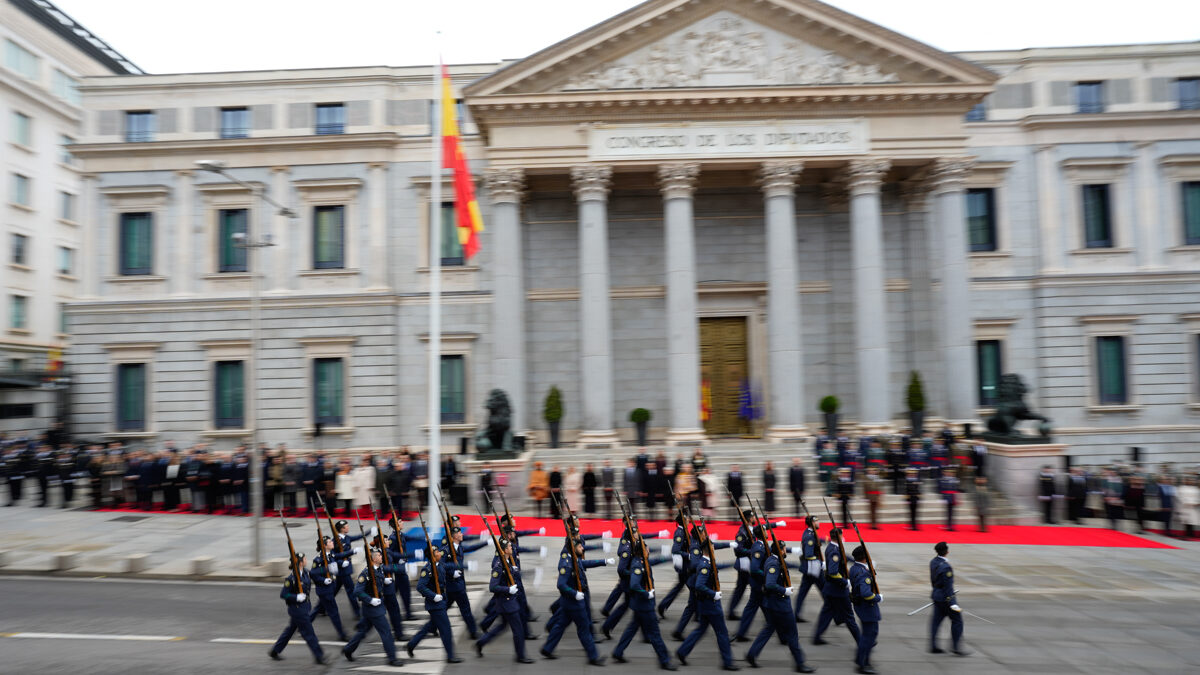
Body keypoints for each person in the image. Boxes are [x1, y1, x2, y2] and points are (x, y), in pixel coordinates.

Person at [675, 527, 739, 672]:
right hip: (711, 604)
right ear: (707, 548)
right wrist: (713, 594)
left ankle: (682, 651)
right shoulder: (704, 564)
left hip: (705, 604)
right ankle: (728, 662)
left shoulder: (708, 562)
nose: (713, 547)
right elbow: (699, 585)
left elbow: (715, 568)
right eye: (711, 545)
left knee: (700, 629)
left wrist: (729, 564)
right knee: (722, 632)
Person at [745, 541, 816, 673]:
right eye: (784, 549)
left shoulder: (772, 559)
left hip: (772, 604)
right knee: (792, 634)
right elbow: (770, 584)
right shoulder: (773, 563)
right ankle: (800, 663)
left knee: (768, 629)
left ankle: (752, 654)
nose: (785, 551)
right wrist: (784, 591)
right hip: (780, 605)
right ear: (780, 550)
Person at [611, 535, 678, 670]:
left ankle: (618, 652)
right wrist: (646, 593)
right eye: (647, 549)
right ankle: (664, 660)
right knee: (655, 634)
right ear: (642, 551)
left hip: (640, 606)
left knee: (631, 629)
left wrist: (670, 558)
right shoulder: (638, 565)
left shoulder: (642, 561)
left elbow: (655, 561)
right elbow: (634, 584)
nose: (648, 551)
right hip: (644, 606)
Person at [540, 537, 611, 665]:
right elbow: (561, 584)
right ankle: (593, 657)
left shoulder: (573, 558)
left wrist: (604, 561)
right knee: (584, 629)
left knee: (560, 626)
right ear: (573, 548)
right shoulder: (566, 563)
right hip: (574, 603)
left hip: (568, 603)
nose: (582, 548)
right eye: (579, 547)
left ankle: (547, 649)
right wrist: (575, 594)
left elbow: (584, 564)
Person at [475, 537, 533, 663]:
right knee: (518, 630)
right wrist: (508, 590)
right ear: (505, 550)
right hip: (507, 603)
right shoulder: (499, 566)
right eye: (510, 547)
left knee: (501, 626)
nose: (512, 548)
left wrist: (515, 571)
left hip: (508, 602)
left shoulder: (507, 562)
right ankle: (521, 656)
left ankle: (481, 643)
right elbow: (493, 586)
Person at [269, 552, 330, 665]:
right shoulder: (291, 579)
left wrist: (326, 573)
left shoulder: (305, 572)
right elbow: (283, 594)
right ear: (300, 563)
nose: (306, 560)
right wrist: (296, 597)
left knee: (290, 631)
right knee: (309, 633)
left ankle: (275, 651)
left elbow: (315, 574)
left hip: (304, 607)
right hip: (297, 610)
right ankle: (319, 656)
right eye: (305, 559)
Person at [404, 545, 459, 662]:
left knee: (429, 627)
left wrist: (463, 567)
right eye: (437, 552)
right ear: (432, 556)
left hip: (441, 602)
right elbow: (420, 587)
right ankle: (450, 656)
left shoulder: (439, 565)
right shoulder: (427, 569)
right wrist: (433, 596)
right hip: (435, 605)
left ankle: (411, 644)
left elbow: (448, 567)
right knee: (446, 629)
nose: (440, 554)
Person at [812, 527, 861, 648]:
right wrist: (845, 582)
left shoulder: (833, 547)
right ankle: (862, 641)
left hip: (831, 589)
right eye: (842, 535)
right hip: (838, 590)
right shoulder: (834, 551)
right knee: (849, 616)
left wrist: (856, 561)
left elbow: (843, 559)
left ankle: (817, 637)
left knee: (827, 613)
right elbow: (833, 572)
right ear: (838, 536)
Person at [309, 535, 354, 641]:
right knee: (334, 612)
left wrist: (341, 562)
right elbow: (313, 573)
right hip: (325, 590)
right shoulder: (319, 559)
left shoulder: (330, 554)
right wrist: (323, 580)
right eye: (330, 542)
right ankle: (342, 634)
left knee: (317, 609)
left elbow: (335, 560)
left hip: (330, 588)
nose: (332, 542)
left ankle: (302, 626)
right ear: (325, 546)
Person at [928, 542, 968, 656]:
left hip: (936, 595)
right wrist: (952, 602)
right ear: (947, 552)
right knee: (957, 621)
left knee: (935, 622)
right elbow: (948, 587)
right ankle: (956, 647)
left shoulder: (933, 562)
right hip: (945, 599)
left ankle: (933, 646)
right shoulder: (946, 567)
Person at [848, 545, 880, 674]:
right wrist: (878, 597)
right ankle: (863, 664)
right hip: (867, 608)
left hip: (861, 607)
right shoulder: (863, 573)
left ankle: (860, 659)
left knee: (867, 635)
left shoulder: (854, 568)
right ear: (864, 557)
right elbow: (866, 593)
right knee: (869, 636)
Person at [794, 515, 822, 623]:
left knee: (802, 592)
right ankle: (836, 614)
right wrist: (820, 562)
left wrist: (826, 539)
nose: (818, 523)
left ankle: (796, 613)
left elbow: (817, 542)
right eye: (817, 521)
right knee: (825, 591)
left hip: (810, 569)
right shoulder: (809, 536)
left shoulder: (810, 533)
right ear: (812, 523)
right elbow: (809, 554)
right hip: (813, 569)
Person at [939, 466, 961, 531]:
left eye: (951, 473)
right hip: (947, 497)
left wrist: (958, 497)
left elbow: (957, 489)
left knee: (953, 512)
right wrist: (943, 498)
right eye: (948, 472)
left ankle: (952, 525)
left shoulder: (956, 480)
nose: (950, 474)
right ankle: (948, 525)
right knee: (948, 512)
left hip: (953, 497)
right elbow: (941, 489)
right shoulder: (943, 480)